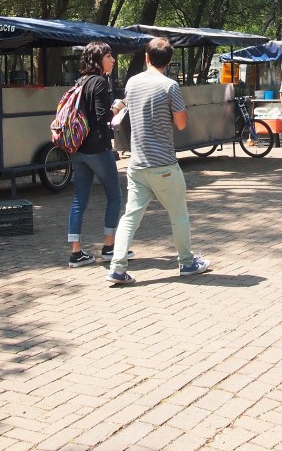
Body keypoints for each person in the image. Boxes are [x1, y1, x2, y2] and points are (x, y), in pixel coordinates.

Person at [106, 38, 211, 286]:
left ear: (146, 57)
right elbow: (181, 123)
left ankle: (117, 267)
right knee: (179, 215)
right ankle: (187, 263)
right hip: (163, 164)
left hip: (137, 164)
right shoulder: (170, 86)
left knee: (130, 216)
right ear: (170, 61)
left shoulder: (132, 82)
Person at [66, 41, 127, 268]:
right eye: (108, 56)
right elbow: (102, 117)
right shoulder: (99, 82)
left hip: (78, 148)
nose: (113, 60)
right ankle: (109, 247)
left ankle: (76, 253)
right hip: (97, 149)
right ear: (98, 59)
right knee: (115, 195)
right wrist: (118, 107)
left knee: (79, 199)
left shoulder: (80, 81)